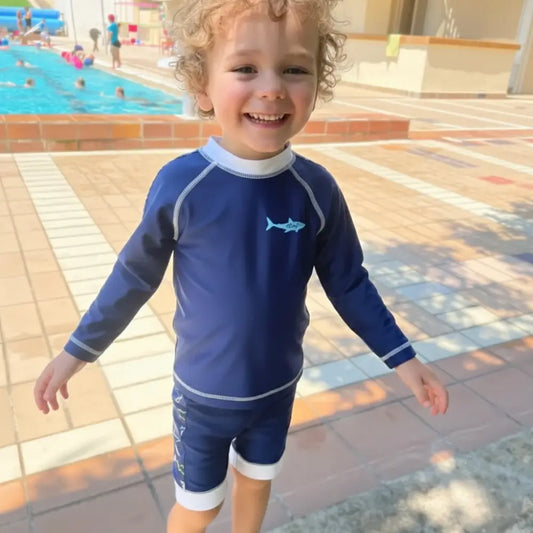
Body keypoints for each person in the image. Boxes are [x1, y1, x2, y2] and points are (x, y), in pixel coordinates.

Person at [33, 1, 449, 532]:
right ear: (202, 86)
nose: (272, 88)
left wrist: (403, 359)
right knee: (200, 505)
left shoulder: (316, 190)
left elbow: (348, 282)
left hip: (277, 388)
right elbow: (134, 277)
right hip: (204, 396)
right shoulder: (183, 186)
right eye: (246, 68)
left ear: (317, 82)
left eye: (294, 68)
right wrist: (77, 351)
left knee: (256, 481)